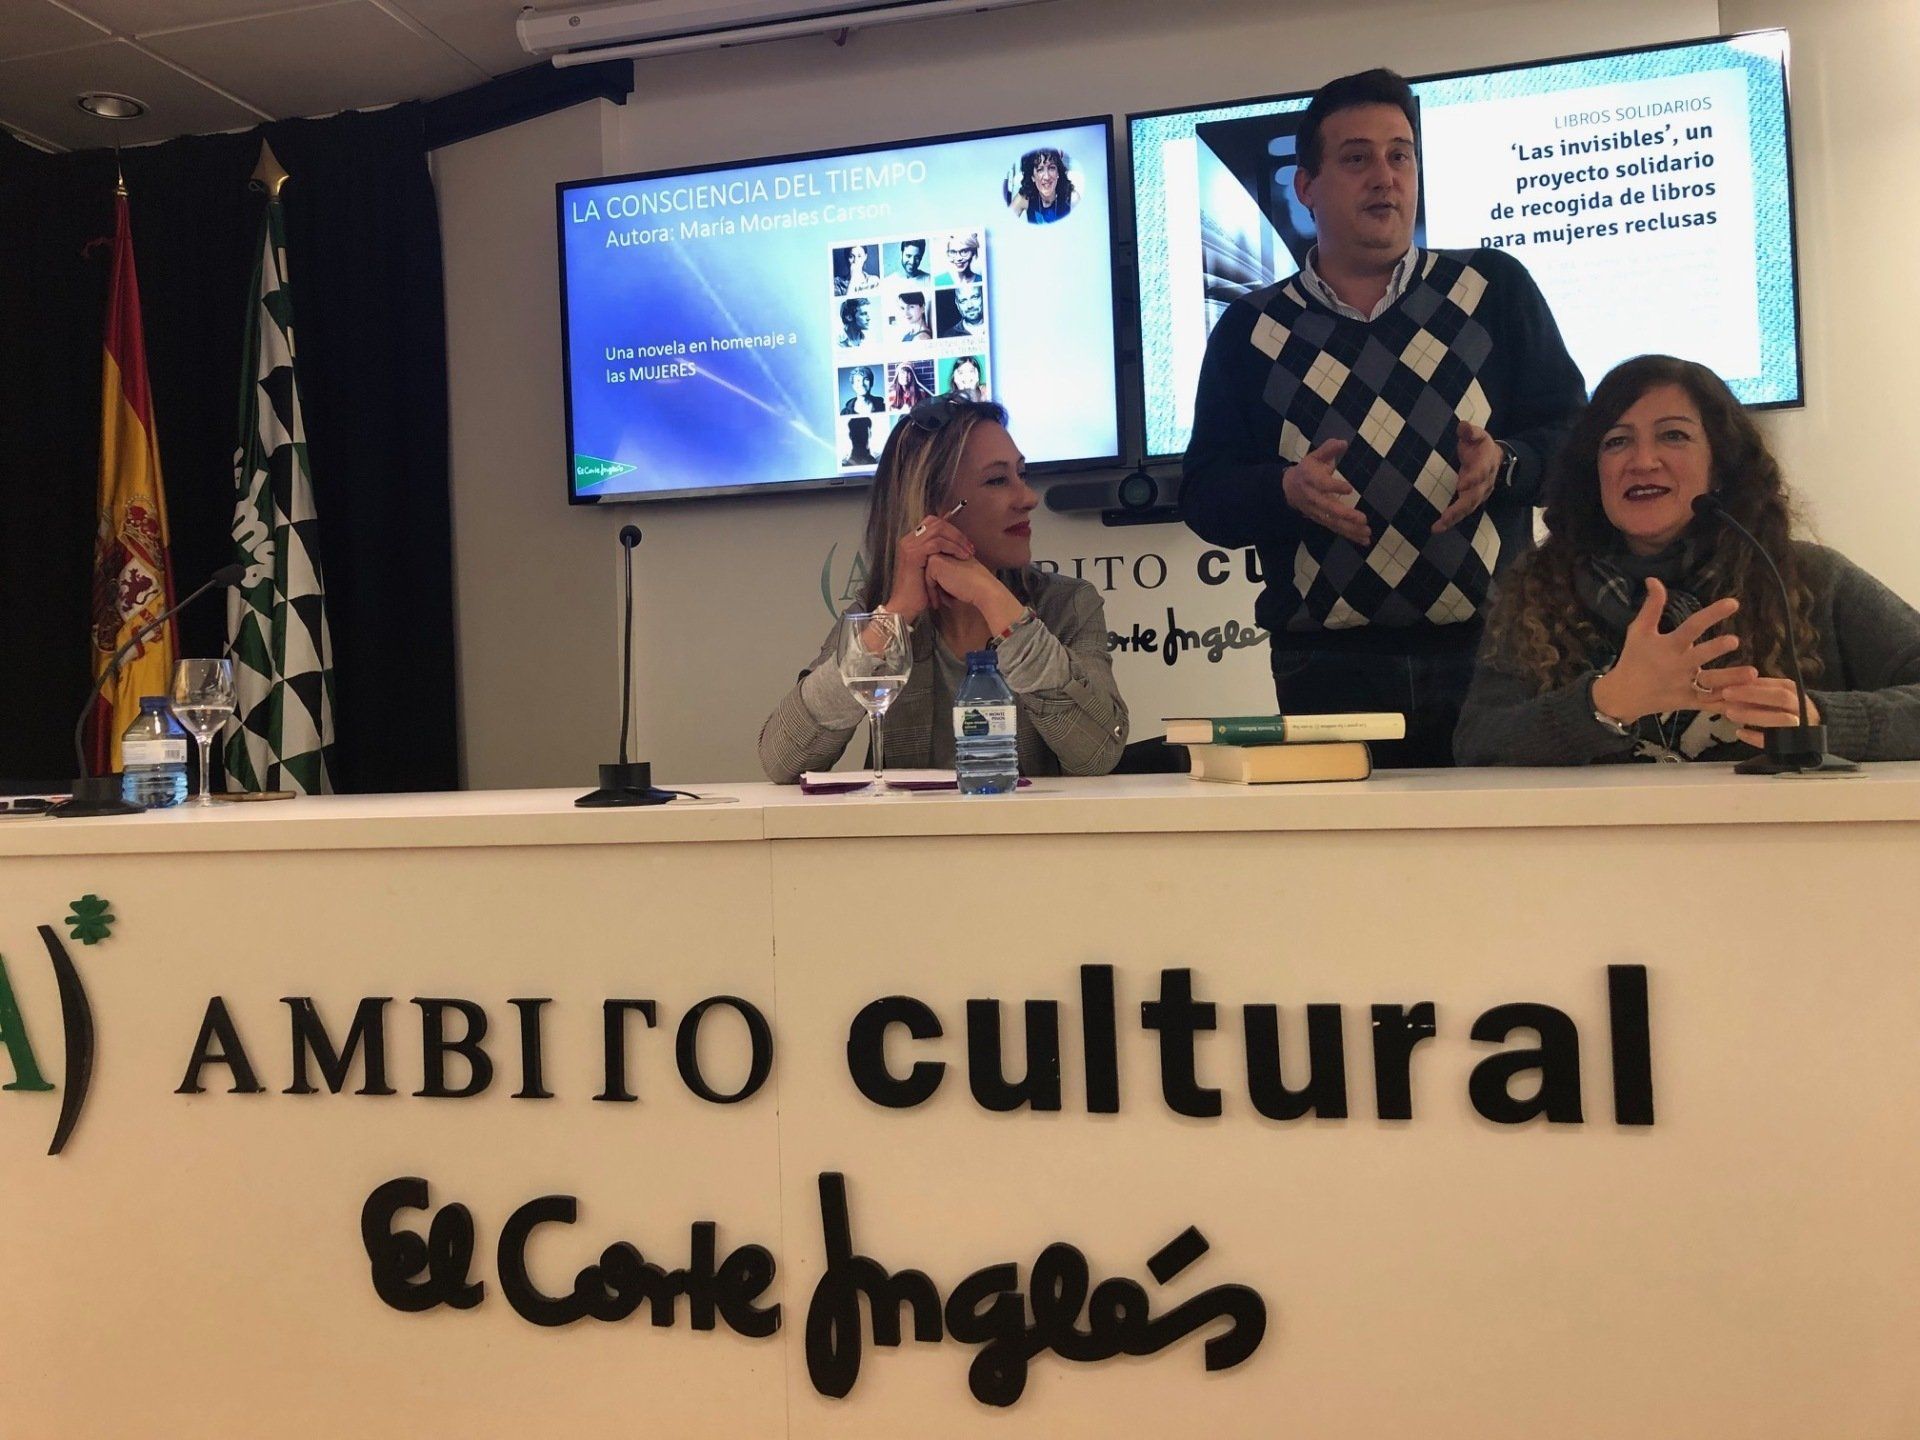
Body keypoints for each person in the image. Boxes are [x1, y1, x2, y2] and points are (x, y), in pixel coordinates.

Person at [1181, 67, 1585, 767]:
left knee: (1505, 838)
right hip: (1327, 670)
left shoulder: (1492, 290)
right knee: (1349, 844)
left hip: (1496, 655)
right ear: (1306, 187)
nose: (1385, 177)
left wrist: (1506, 463)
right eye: (1356, 158)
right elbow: (1204, 495)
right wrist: (1285, 489)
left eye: (1400, 155)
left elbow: (1576, 444)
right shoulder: (1249, 329)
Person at [1455, 355, 1920, 765]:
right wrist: (1604, 703)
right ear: (1593, 472)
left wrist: (1822, 719)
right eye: (1616, 442)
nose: (1643, 460)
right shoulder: (1537, 589)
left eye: (1673, 436)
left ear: (1720, 465)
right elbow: (1478, 741)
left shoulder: (1809, 577)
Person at [760, 397, 1128, 782]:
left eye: (1022, 474)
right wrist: (896, 615)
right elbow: (782, 760)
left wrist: (993, 598)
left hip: (1027, 823)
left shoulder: (1067, 604)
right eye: (998, 480)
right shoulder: (875, 610)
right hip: (908, 824)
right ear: (931, 507)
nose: (1028, 498)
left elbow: (1098, 754)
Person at [1008, 147, 1076, 224]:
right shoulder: (1025, 198)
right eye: (1040, 170)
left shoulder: (1072, 198)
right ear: (1032, 177)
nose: (1047, 177)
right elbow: (1005, 223)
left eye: (1051, 168)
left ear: (1058, 173)